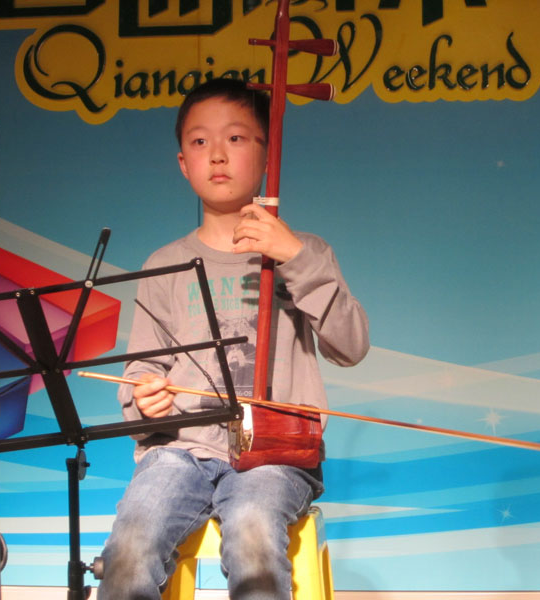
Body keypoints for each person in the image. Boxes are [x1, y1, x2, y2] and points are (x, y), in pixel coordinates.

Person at [97, 78, 369, 600]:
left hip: (275, 455)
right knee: (131, 542)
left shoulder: (305, 252)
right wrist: (144, 396)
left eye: (237, 138)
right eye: (201, 141)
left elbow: (350, 346)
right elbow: (140, 373)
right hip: (179, 451)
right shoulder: (163, 264)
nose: (218, 154)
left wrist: (295, 260)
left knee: (252, 527)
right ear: (183, 163)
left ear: (267, 153)